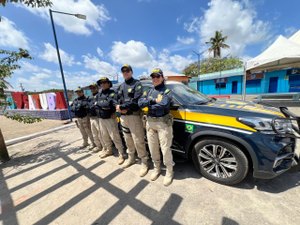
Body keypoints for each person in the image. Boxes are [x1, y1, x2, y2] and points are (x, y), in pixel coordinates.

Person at [138, 68, 174, 186]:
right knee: (153, 148)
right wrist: (153, 101)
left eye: (157, 76)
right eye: (153, 77)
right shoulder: (148, 91)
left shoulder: (167, 91)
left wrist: (148, 104)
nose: (155, 79)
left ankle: (169, 171)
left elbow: (163, 105)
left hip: (162, 124)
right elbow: (140, 103)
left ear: (162, 77)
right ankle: (157, 168)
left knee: (165, 149)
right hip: (150, 123)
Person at [116, 64, 149, 177]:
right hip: (123, 117)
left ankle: (144, 162)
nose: (125, 72)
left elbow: (136, 101)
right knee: (127, 139)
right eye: (123, 71)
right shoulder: (121, 86)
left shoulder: (137, 84)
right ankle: (131, 158)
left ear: (131, 71)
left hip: (134, 117)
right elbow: (116, 100)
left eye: (127, 70)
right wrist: (118, 108)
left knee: (138, 140)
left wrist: (123, 107)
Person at [96, 77, 125, 165]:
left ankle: (121, 154)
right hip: (101, 119)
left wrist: (117, 116)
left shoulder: (113, 93)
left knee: (115, 137)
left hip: (110, 119)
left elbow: (118, 106)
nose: (103, 84)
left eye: (105, 82)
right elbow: (96, 105)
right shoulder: (99, 94)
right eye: (101, 83)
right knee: (104, 136)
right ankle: (109, 150)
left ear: (109, 84)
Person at [87, 83, 105, 153]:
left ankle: (104, 147)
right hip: (91, 118)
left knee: (100, 134)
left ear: (97, 88)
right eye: (91, 88)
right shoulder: (89, 97)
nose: (92, 89)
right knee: (94, 134)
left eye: (94, 88)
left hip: (98, 117)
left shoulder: (99, 95)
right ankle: (98, 146)